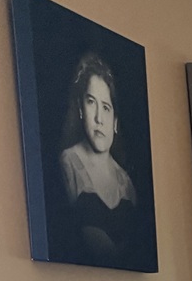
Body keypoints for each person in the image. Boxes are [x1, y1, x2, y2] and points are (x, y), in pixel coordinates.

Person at [57, 52, 138, 263]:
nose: (99, 118)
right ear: (81, 109)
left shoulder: (126, 183)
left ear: (115, 121)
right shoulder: (67, 163)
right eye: (91, 102)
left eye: (106, 107)